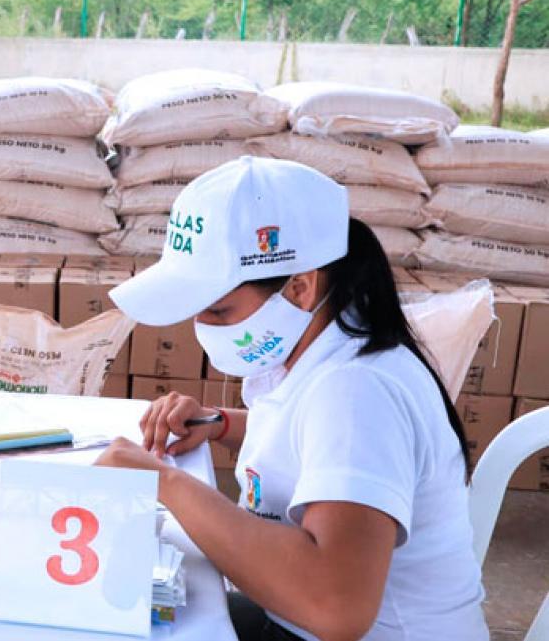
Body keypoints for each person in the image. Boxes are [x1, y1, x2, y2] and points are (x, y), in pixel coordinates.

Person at [96, 156, 486, 641]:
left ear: (300, 287)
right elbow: (305, 439)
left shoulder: (357, 391)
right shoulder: (325, 349)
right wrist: (219, 424)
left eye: (218, 311)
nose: (203, 329)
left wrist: (167, 486)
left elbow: (335, 606)